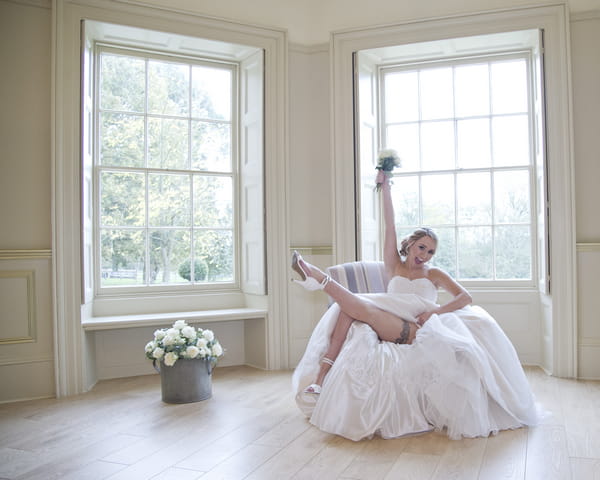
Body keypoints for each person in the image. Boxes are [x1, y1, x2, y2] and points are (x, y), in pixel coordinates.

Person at [291, 170, 541, 441]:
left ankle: (318, 279)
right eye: (421, 247)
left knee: (352, 307)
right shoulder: (394, 266)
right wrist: (385, 188)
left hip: (415, 329)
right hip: (386, 319)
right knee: (349, 308)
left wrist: (435, 311)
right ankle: (319, 377)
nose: (425, 255)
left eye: (430, 251)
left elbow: (464, 297)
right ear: (409, 245)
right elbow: (390, 226)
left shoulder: (434, 274)